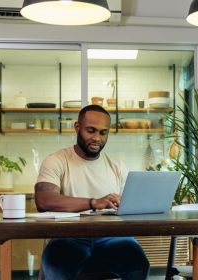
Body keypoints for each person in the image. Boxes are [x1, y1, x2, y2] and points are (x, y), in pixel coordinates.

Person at [35, 104, 150, 280]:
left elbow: (129, 208)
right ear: (77, 127)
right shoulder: (56, 160)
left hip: (113, 237)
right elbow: (44, 200)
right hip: (68, 236)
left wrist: (125, 203)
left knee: (138, 264)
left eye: (103, 133)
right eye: (91, 130)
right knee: (56, 265)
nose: (97, 138)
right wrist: (94, 203)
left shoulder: (117, 167)